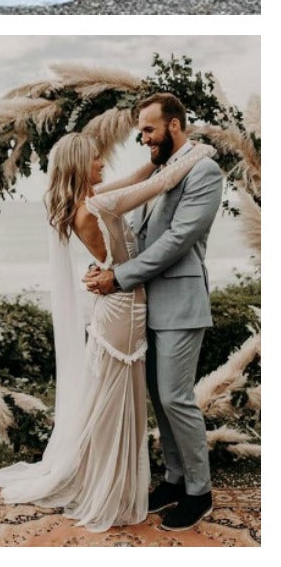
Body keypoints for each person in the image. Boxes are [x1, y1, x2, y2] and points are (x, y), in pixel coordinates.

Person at [0, 119, 219, 533]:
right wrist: (199, 152)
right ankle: (112, 486)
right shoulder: (96, 205)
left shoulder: (90, 200)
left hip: (116, 307)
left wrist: (159, 161)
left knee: (118, 398)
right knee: (117, 402)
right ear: (79, 164)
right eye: (95, 158)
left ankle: (127, 479)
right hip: (124, 309)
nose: (102, 164)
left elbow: (138, 177)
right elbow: (158, 185)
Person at [84, 93, 223, 532]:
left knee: (175, 398)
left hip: (180, 303)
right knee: (160, 402)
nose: (142, 137)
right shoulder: (163, 170)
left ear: (175, 125)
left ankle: (199, 493)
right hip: (145, 305)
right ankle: (175, 479)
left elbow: (178, 240)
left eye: (148, 129)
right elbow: (137, 233)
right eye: (141, 130)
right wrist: (104, 266)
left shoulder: (204, 171)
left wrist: (119, 277)